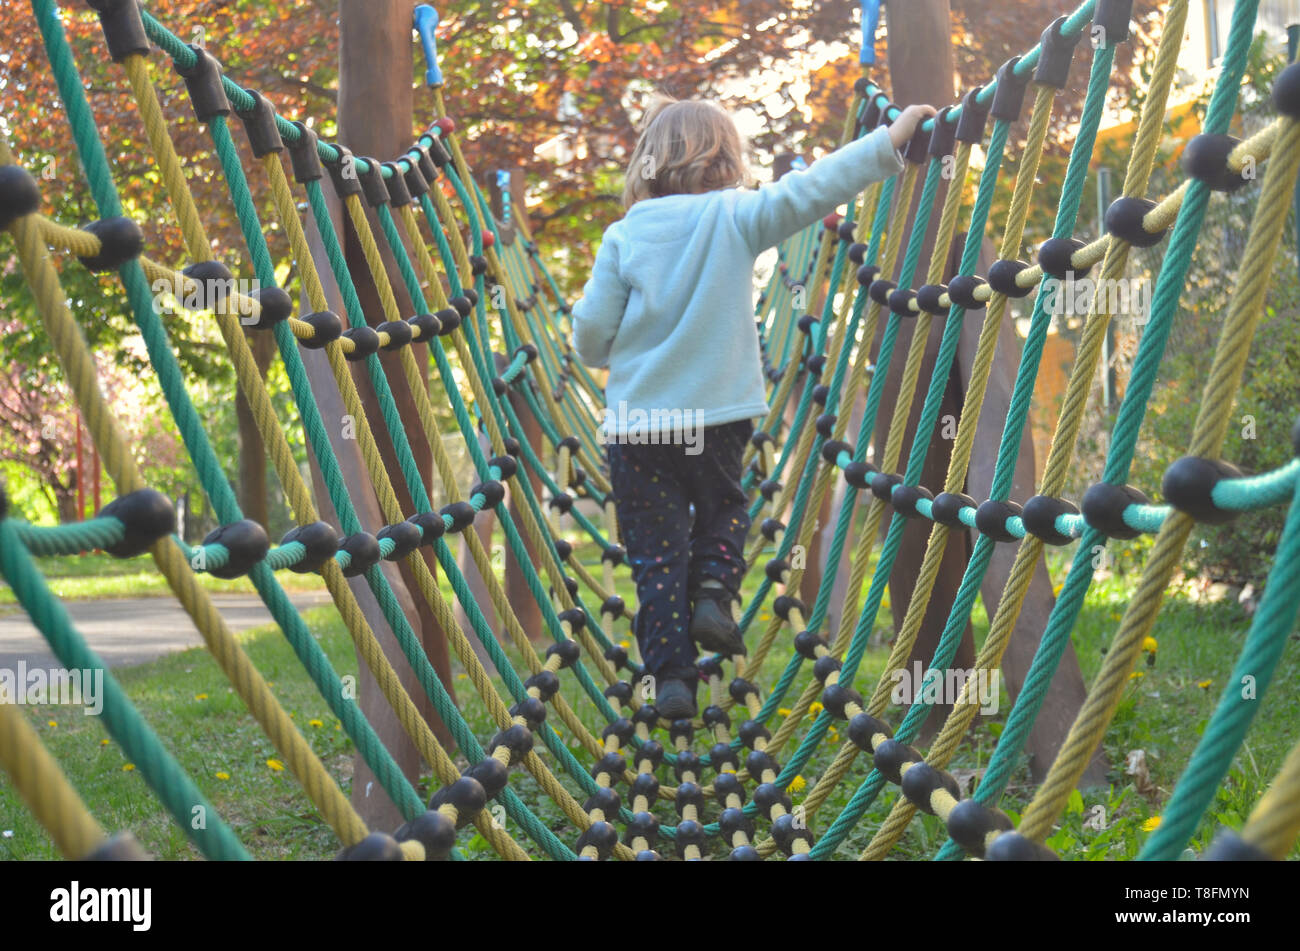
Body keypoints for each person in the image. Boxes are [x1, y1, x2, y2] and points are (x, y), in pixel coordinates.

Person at [572, 95, 936, 718]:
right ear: (724, 158)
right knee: (724, 510)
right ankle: (715, 590)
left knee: (655, 555)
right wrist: (889, 141)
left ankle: (673, 681)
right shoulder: (736, 216)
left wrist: (614, 345)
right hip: (718, 418)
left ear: (647, 163)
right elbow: (813, 189)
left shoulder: (625, 235)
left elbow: (590, 336)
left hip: (642, 425)